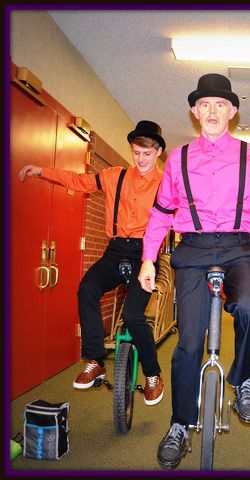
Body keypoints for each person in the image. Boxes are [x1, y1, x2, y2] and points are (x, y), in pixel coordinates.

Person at [138, 73, 250, 470]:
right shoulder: (176, 158)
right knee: (189, 345)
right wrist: (147, 256)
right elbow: (161, 213)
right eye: (205, 105)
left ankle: (242, 378)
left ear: (232, 111)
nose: (212, 111)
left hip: (238, 248)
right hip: (192, 251)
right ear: (195, 112)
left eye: (221, 105)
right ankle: (179, 424)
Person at [19, 120, 167, 406]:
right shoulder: (114, 176)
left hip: (145, 254)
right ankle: (95, 360)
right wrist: (42, 171)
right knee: (87, 288)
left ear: (158, 151)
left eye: (147, 154)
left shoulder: (167, 183)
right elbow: (79, 181)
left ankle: (152, 375)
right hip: (114, 250)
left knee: (134, 316)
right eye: (136, 153)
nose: (141, 159)